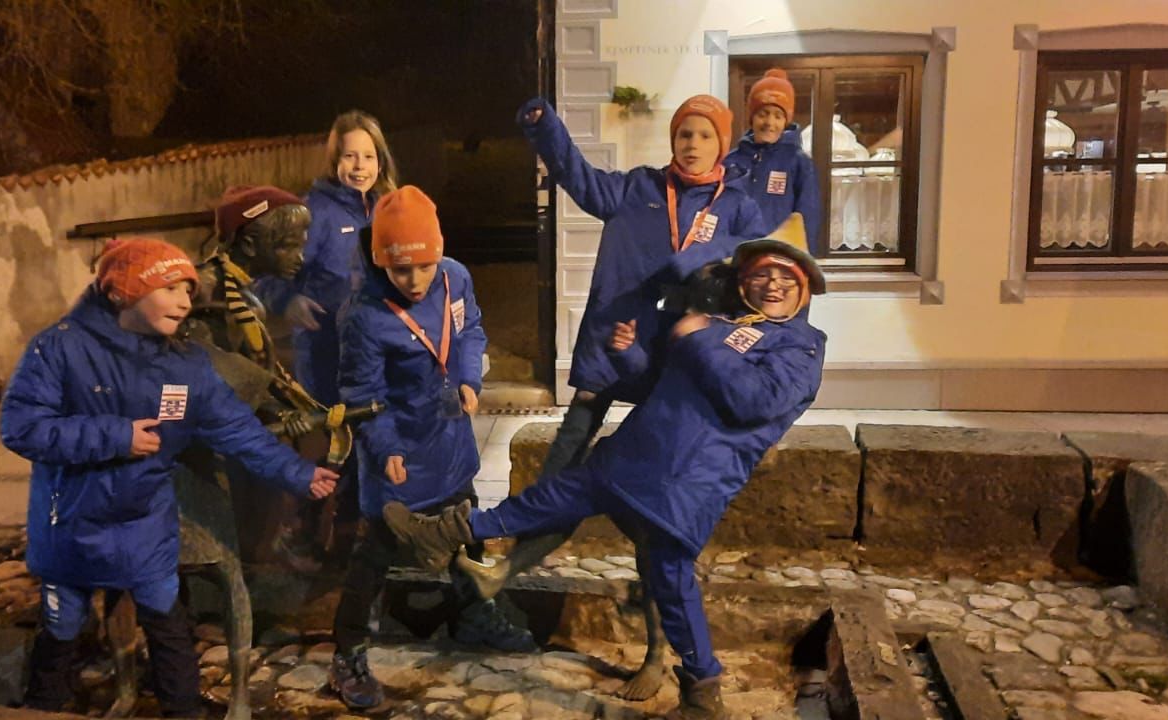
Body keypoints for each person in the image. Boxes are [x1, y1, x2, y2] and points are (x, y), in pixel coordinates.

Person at [384, 215, 827, 720]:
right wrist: (630, 356)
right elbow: (663, 383)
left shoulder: (801, 346)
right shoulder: (724, 323)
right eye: (762, 274)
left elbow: (753, 400)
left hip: (684, 483)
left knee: (671, 582)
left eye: (786, 278)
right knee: (549, 497)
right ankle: (445, 532)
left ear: (805, 289)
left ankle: (703, 691)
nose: (772, 285)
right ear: (744, 279)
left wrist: (696, 338)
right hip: (633, 456)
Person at [0, 237, 340, 717]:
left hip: (145, 524)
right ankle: (42, 707)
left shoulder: (185, 364)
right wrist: (117, 436)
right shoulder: (59, 348)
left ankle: (182, 711)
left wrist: (298, 473)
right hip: (72, 526)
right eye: (170, 288)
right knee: (62, 628)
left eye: (188, 290)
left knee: (168, 623)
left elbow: (236, 428)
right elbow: (23, 427)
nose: (185, 301)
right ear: (122, 292)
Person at [494, 94, 769, 590]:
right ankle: (508, 566)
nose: (692, 144)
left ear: (722, 145)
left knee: (657, 476)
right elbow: (579, 178)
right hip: (612, 346)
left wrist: (698, 257)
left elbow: (758, 253)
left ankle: (657, 585)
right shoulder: (638, 188)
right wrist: (545, 128)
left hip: (677, 363)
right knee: (562, 468)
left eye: (705, 135)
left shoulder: (738, 207)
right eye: (684, 134)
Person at [326, 186, 535, 711]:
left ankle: (474, 613)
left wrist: (468, 378)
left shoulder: (455, 277)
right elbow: (362, 396)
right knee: (375, 553)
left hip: (449, 436)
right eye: (402, 271)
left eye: (424, 266)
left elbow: (471, 331)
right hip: (397, 448)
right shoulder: (363, 315)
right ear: (382, 262)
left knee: (465, 527)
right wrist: (386, 448)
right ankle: (348, 653)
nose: (416, 280)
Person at [260, 110, 399, 407]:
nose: (359, 166)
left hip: (377, 350)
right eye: (350, 156)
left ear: (380, 162)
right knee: (334, 433)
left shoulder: (386, 209)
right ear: (335, 160)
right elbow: (265, 272)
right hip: (325, 353)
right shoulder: (313, 213)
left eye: (368, 156)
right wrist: (287, 301)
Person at [724, 69, 822, 252]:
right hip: (735, 257)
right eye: (763, 114)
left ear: (786, 121)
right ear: (751, 117)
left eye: (778, 116)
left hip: (778, 258)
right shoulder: (730, 162)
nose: (769, 122)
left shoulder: (799, 163)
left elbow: (808, 220)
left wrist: (802, 260)